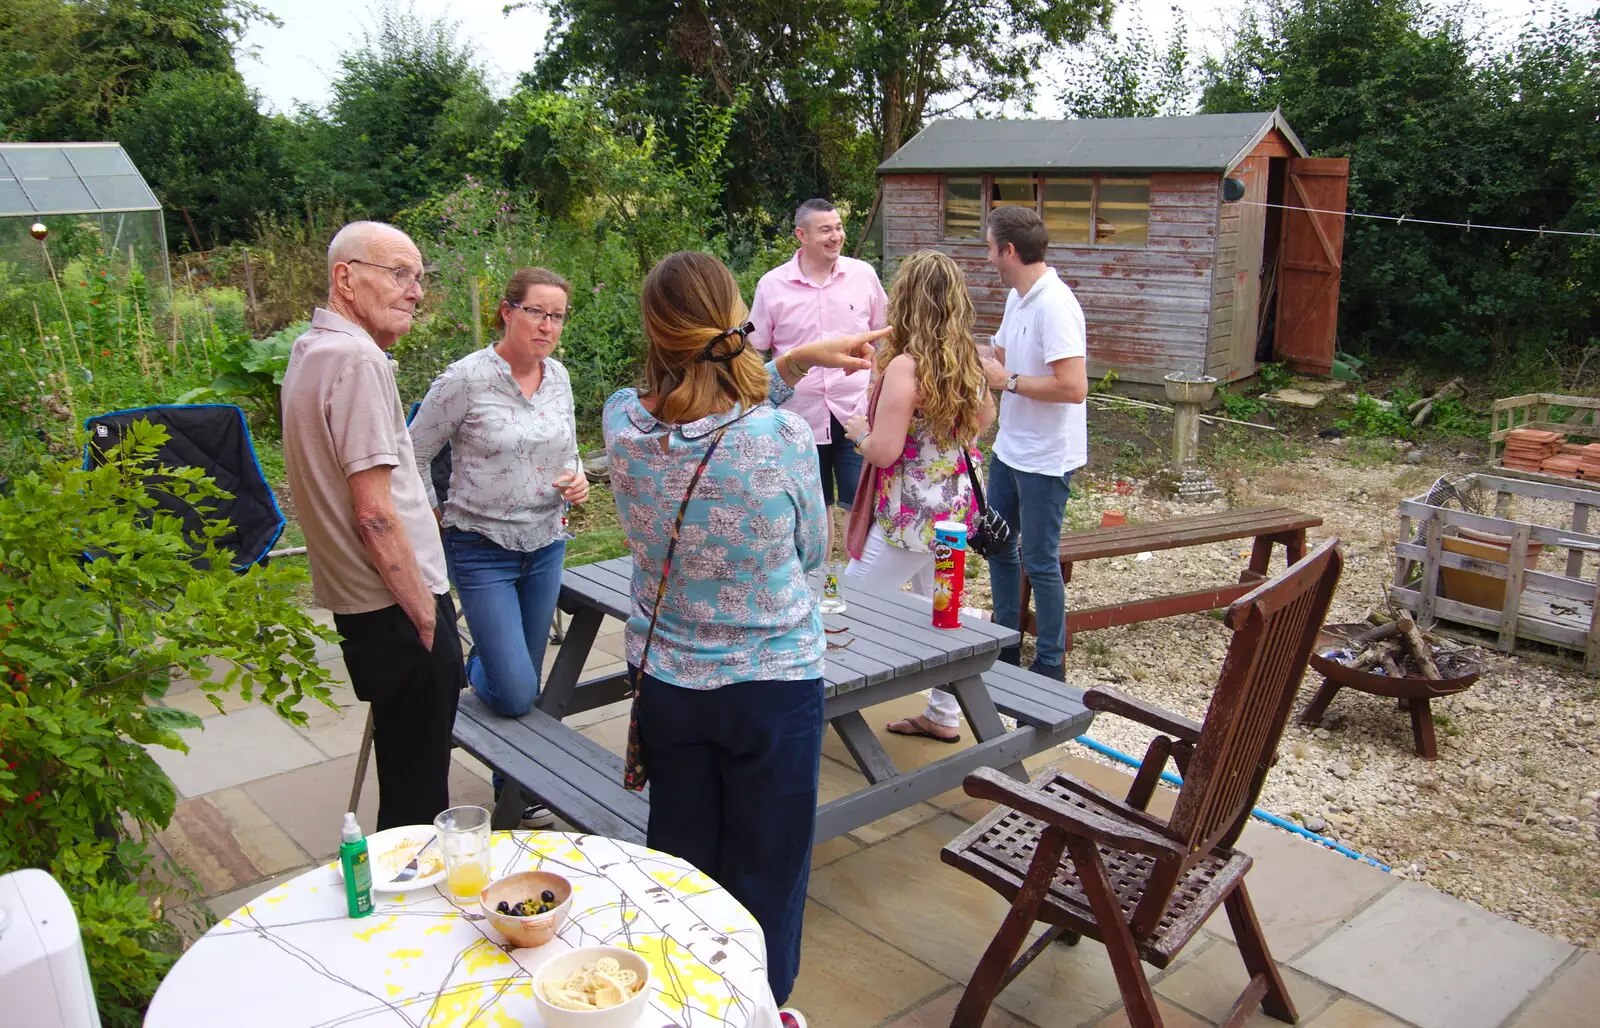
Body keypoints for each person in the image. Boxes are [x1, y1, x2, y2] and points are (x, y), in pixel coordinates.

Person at [603, 250, 885, 1025]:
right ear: (739, 322)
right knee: (766, 866)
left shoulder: (621, 422)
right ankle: (760, 1007)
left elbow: (701, 392)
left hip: (667, 684)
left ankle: (685, 1004)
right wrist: (787, 364)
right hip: (773, 687)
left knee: (682, 861)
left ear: (654, 330)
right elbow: (809, 556)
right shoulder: (783, 438)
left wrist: (789, 360)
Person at [280, 221, 464, 831]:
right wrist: (427, 614)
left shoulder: (312, 351)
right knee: (418, 795)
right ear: (346, 277)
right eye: (398, 273)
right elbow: (375, 513)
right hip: (396, 606)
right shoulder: (358, 360)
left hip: (364, 609)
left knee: (404, 767)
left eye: (418, 276)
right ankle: (413, 913)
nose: (415, 290)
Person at [409, 267, 589, 830]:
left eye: (557, 315)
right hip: (480, 545)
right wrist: (431, 519)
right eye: (536, 311)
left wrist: (578, 479)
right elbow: (411, 452)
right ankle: (482, 657)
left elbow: (571, 450)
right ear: (507, 311)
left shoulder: (558, 376)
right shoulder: (466, 378)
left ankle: (515, 793)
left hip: (546, 543)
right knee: (513, 690)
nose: (547, 326)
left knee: (527, 689)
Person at [838, 249, 995, 742]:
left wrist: (859, 432)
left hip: (909, 519)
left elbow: (883, 453)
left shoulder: (908, 365)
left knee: (849, 602)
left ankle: (827, 705)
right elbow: (984, 420)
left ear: (904, 301)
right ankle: (945, 716)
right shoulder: (968, 357)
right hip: (954, 510)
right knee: (939, 608)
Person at [978, 205, 1089, 680]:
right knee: (999, 547)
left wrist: (1010, 382)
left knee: (1041, 561)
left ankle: (1049, 665)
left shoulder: (1055, 304)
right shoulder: (1018, 298)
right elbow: (998, 356)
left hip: (1046, 457)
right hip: (1009, 448)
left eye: (989, 249)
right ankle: (1004, 649)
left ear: (1009, 250)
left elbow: (1074, 387)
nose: (987, 259)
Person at [749, 198, 888, 557]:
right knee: (813, 509)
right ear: (801, 235)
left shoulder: (863, 275)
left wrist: (878, 382)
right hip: (797, 417)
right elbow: (754, 349)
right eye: (825, 229)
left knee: (859, 505)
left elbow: (884, 333)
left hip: (854, 410)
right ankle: (818, 588)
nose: (836, 236)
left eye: (839, 227)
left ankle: (863, 590)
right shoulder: (772, 285)